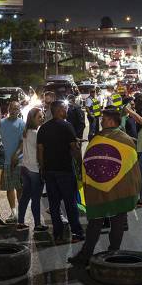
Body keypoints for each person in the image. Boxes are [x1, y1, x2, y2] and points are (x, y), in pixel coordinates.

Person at [68, 108, 140, 265]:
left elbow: (88, 163)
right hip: (120, 190)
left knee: (95, 223)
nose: (101, 122)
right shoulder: (127, 139)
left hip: (98, 189)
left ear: (111, 121)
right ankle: (112, 254)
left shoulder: (98, 139)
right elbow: (133, 167)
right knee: (117, 222)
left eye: (103, 119)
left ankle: (86, 256)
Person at [38, 100, 85, 244]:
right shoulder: (67, 126)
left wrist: (42, 168)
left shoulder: (43, 128)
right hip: (64, 170)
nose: (67, 111)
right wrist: (80, 166)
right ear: (59, 111)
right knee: (70, 203)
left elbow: (40, 150)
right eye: (65, 109)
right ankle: (76, 233)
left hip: (49, 171)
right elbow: (74, 148)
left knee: (54, 204)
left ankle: (57, 235)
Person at [17, 107, 48, 231]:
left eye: (42, 116)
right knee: (36, 198)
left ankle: (20, 222)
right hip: (34, 169)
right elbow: (42, 150)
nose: (42, 119)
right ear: (32, 119)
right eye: (39, 117)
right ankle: (38, 224)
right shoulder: (36, 134)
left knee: (25, 196)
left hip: (25, 167)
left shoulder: (26, 132)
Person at [0, 101, 26, 224]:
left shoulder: (21, 123)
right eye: (13, 108)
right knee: (9, 187)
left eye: (17, 108)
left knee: (19, 188)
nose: (15, 110)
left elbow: (22, 142)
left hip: (18, 161)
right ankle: (13, 212)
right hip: (5, 161)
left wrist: (16, 154)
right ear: (9, 109)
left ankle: (21, 212)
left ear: (19, 110)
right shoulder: (2, 123)